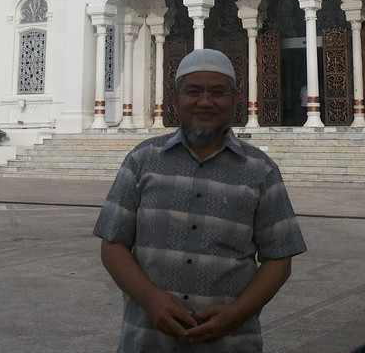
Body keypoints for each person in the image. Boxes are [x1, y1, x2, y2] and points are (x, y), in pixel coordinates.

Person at [94, 48, 307, 352]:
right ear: (176, 97)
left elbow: (279, 258)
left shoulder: (261, 171)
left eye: (218, 92)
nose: (205, 102)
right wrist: (150, 300)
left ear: (236, 98)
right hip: (148, 340)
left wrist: (236, 314)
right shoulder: (142, 161)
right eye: (193, 91)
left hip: (231, 343)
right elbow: (113, 244)